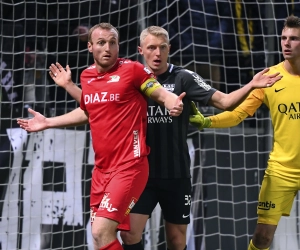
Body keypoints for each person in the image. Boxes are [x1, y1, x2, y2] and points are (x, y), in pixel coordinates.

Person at [48, 25, 282, 250]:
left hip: (175, 173)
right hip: (141, 173)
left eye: (162, 47)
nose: (156, 53)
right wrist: (66, 90)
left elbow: (225, 101)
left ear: (169, 49)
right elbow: (94, 108)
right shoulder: (129, 78)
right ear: (141, 51)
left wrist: (251, 85)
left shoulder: (184, 78)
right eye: (150, 48)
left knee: (176, 240)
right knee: (129, 235)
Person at [17, 22, 186, 250]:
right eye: (101, 43)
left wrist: (171, 102)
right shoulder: (87, 76)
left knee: (100, 231)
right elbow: (89, 110)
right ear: (90, 47)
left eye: (112, 43)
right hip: (101, 171)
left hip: (130, 166)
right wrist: (48, 121)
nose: (107, 48)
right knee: (98, 239)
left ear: (118, 46)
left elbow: (159, 92)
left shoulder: (133, 70)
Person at [190, 15, 300, 250]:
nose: (287, 43)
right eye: (283, 38)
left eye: (294, 39)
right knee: (262, 237)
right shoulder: (270, 78)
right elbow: (237, 114)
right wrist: (207, 122)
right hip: (281, 171)